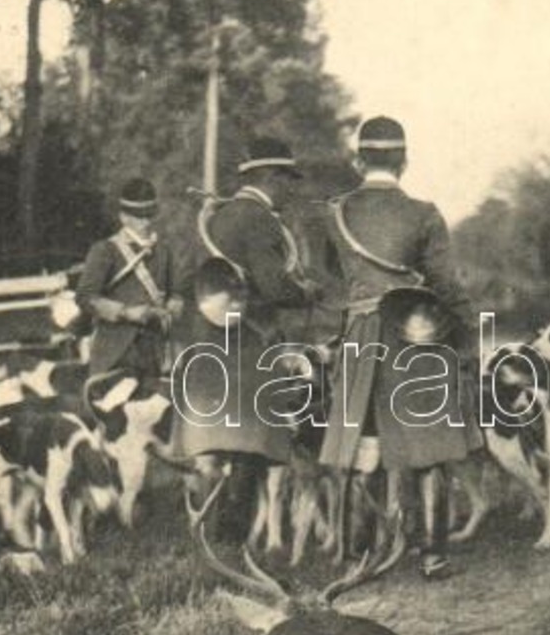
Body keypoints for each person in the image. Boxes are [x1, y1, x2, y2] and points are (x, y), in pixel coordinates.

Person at [317, 116, 480, 580]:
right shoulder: (425, 214)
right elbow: (449, 286)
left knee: (361, 445)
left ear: (357, 159)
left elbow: (334, 281)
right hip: (417, 334)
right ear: (404, 161)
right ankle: (432, 555)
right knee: (430, 446)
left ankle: (357, 559)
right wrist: (469, 341)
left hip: (363, 335)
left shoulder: (335, 214)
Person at [171, 138, 321, 542]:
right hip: (246, 349)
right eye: (286, 179)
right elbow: (274, 287)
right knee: (250, 450)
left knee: (212, 450)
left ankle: (211, 542)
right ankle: (234, 543)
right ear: (269, 177)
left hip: (205, 348)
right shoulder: (259, 220)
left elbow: (188, 281)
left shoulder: (216, 218)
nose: (290, 188)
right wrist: (306, 292)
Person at [77, 177, 183, 378]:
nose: (146, 221)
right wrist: (125, 312)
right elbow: (85, 297)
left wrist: (175, 303)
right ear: (124, 217)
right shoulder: (105, 250)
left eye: (149, 215)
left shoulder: (163, 251)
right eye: (139, 216)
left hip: (155, 351)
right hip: (116, 352)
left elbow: (172, 293)